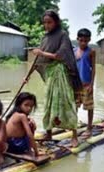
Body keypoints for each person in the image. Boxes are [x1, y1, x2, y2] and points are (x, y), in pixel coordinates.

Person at [25, 9, 82, 147]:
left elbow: (60, 56)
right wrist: (27, 76)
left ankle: (74, 135)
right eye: (44, 23)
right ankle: (49, 132)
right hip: (50, 76)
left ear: (56, 22)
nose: (46, 25)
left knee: (67, 103)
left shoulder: (63, 35)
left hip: (61, 74)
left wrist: (41, 52)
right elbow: (38, 60)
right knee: (48, 104)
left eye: (49, 22)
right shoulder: (44, 38)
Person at [74, 28, 96, 137]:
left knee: (89, 107)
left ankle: (89, 127)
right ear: (77, 39)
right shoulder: (73, 52)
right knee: (74, 107)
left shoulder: (91, 52)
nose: (83, 43)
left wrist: (92, 84)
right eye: (81, 40)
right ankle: (73, 127)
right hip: (75, 85)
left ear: (89, 40)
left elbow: (93, 69)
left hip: (87, 85)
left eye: (86, 41)